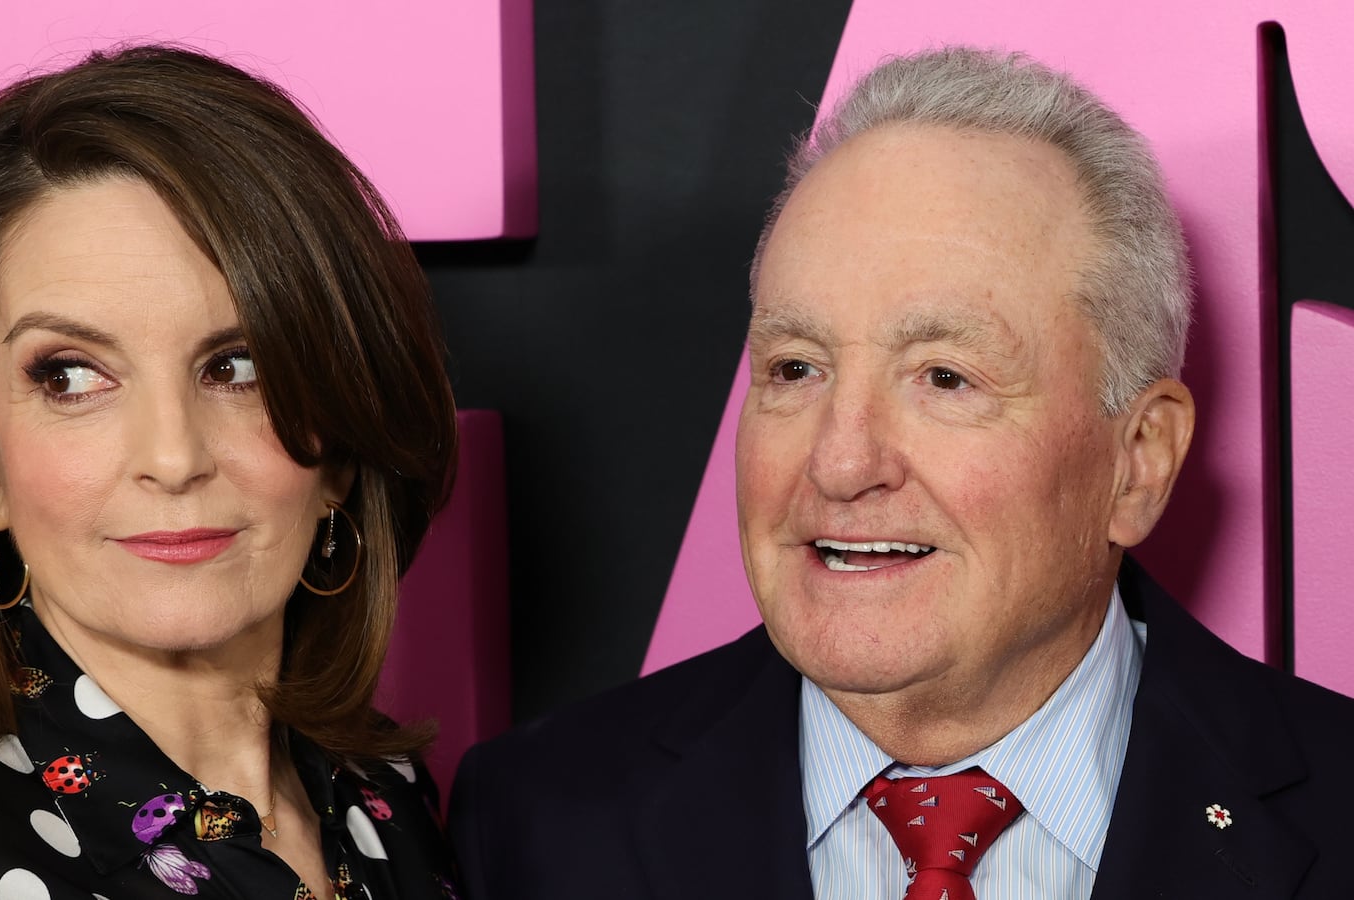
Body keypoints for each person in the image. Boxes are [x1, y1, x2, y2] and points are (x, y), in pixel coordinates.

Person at [449, 46, 1354, 899]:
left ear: (1139, 462)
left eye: (945, 379)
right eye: (796, 368)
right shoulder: (535, 823)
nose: (841, 463)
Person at [0, 45, 460, 900]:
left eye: (240, 367)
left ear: (341, 449)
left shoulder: (385, 802)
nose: (173, 459)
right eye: (70, 375)